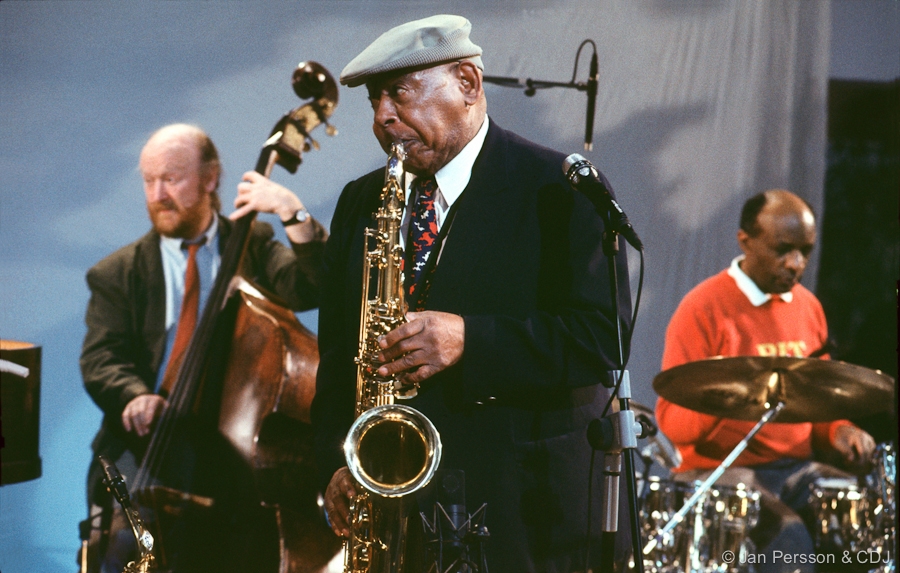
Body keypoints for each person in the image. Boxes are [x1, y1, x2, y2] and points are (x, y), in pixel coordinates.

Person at [310, 15, 634, 572]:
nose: (383, 115)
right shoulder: (360, 200)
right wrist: (337, 463)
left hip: (523, 513)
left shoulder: (560, 186)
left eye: (400, 92)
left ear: (467, 82)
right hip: (397, 507)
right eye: (374, 100)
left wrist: (471, 340)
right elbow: (338, 355)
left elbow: (603, 337)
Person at [80, 123, 327, 567]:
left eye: (171, 179)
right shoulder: (116, 273)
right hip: (150, 442)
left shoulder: (252, 245)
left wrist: (292, 212)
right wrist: (133, 395)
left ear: (210, 178)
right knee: (125, 541)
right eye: (149, 180)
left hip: (234, 449)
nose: (157, 195)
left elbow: (316, 286)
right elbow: (102, 358)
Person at [655, 189, 876, 572]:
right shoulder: (703, 308)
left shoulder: (808, 307)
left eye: (805, 251)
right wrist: (728, 397)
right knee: (789, 540)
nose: (796, 264)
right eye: (783, 250)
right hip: (719, 470)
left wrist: (838, 430)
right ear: (745, 241)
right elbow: (672, 425)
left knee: (865, 520)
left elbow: (815, 402)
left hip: (793, 468)